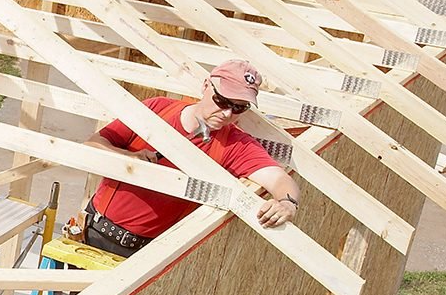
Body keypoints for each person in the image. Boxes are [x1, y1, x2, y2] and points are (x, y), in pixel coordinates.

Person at [81, 60, 301, 257]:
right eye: (222, 101)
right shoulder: (157, 110)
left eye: (239, 107)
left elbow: (278, 179)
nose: (227, 114)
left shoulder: (234, 145)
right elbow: (92, 144)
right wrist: (129, 157)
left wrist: (287, 203)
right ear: (206, 86)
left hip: (144, 255)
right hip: (92, 232)